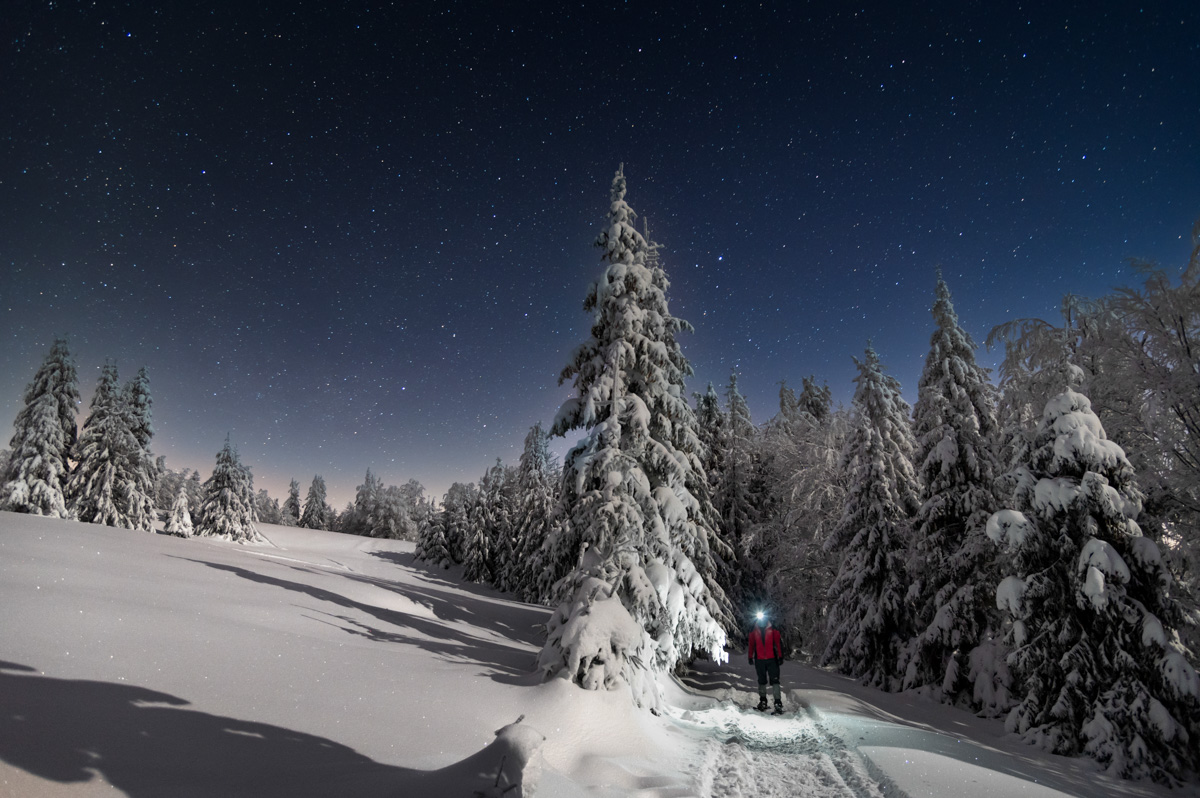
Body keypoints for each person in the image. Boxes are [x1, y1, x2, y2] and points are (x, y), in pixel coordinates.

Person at [747, 611, 784, 714]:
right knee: (761, 680)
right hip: (759, 660)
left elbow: (778, 642)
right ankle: (763, 701)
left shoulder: (773, 628)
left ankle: (778, 702)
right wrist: (750, 656)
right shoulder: (753, 629)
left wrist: (780, 656)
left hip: (772, 659)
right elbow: (751, 644)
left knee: (775, 680)